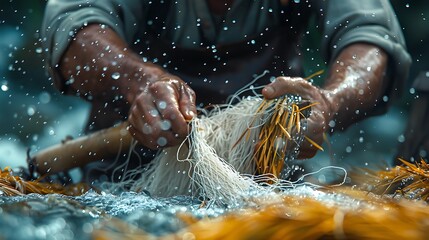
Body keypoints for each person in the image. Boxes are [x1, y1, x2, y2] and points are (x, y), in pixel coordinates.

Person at [41, 0, 411, 183]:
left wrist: (329, 103)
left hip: (267, 183)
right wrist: (139, 82)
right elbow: (75, 25)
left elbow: (371, 38)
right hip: (119, 182)